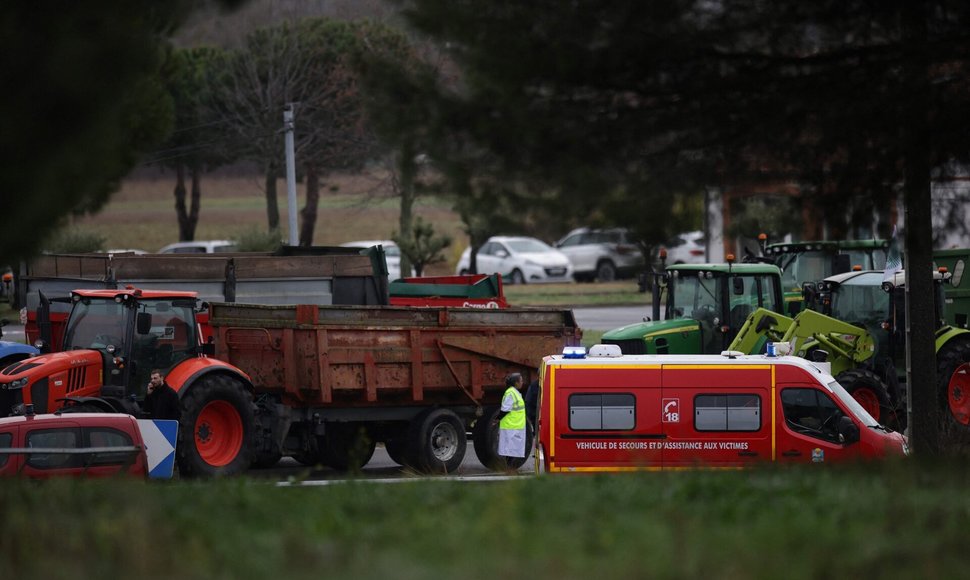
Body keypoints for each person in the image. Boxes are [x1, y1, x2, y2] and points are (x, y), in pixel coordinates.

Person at [496, 372, 527, 468]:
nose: (522, 382)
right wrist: (498, 419)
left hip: (515, 425)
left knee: (513, 449)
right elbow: (505, 409)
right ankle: (509, 469)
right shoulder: (510, 393)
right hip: (510, 426)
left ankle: (509, 469)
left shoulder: (514, 392)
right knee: (510, 450)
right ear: (516, 383)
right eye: (521, 381)